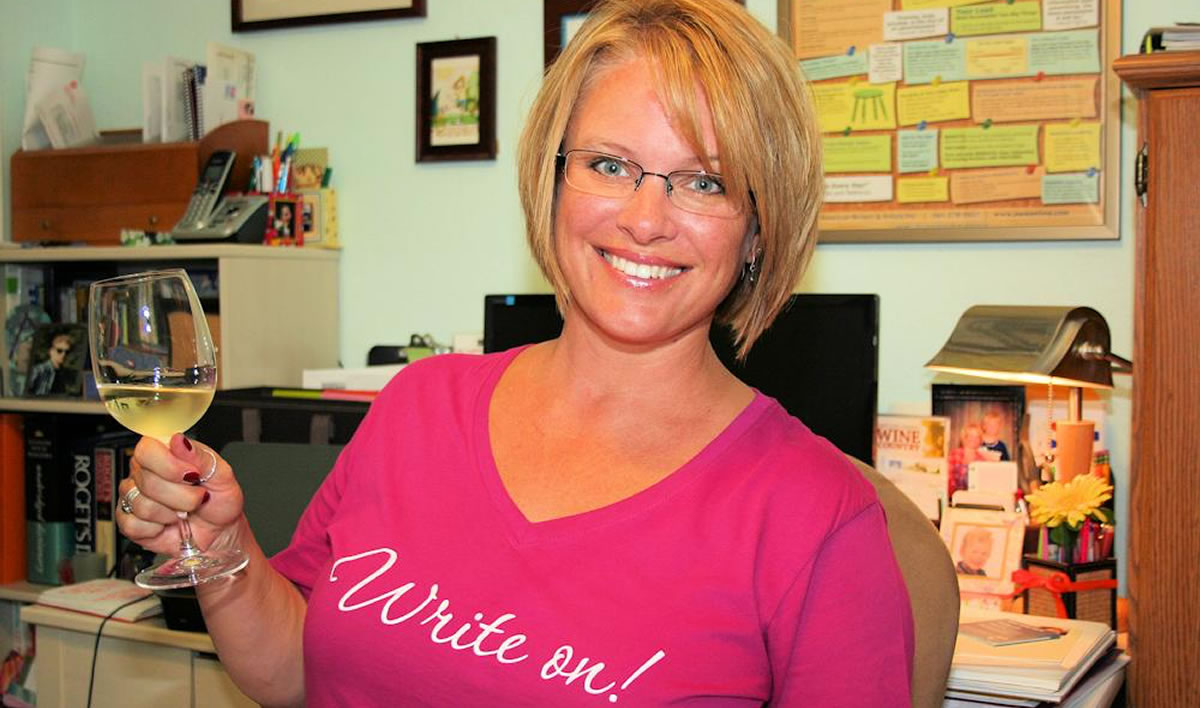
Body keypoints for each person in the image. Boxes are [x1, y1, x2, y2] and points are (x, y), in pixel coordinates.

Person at [116, 1, 914, 705]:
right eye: (609, 165)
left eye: (703, 182)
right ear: (552, 180)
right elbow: (295, 669)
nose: (644, 219)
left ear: (759, 225)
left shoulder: (816, 518)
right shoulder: (417, 407)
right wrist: (222, 549)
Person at [24, 329, 73, 396]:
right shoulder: (39, 370)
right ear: (51, 351)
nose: (63, 354)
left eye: (67, 352)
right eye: (59, 350)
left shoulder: (64, 374)